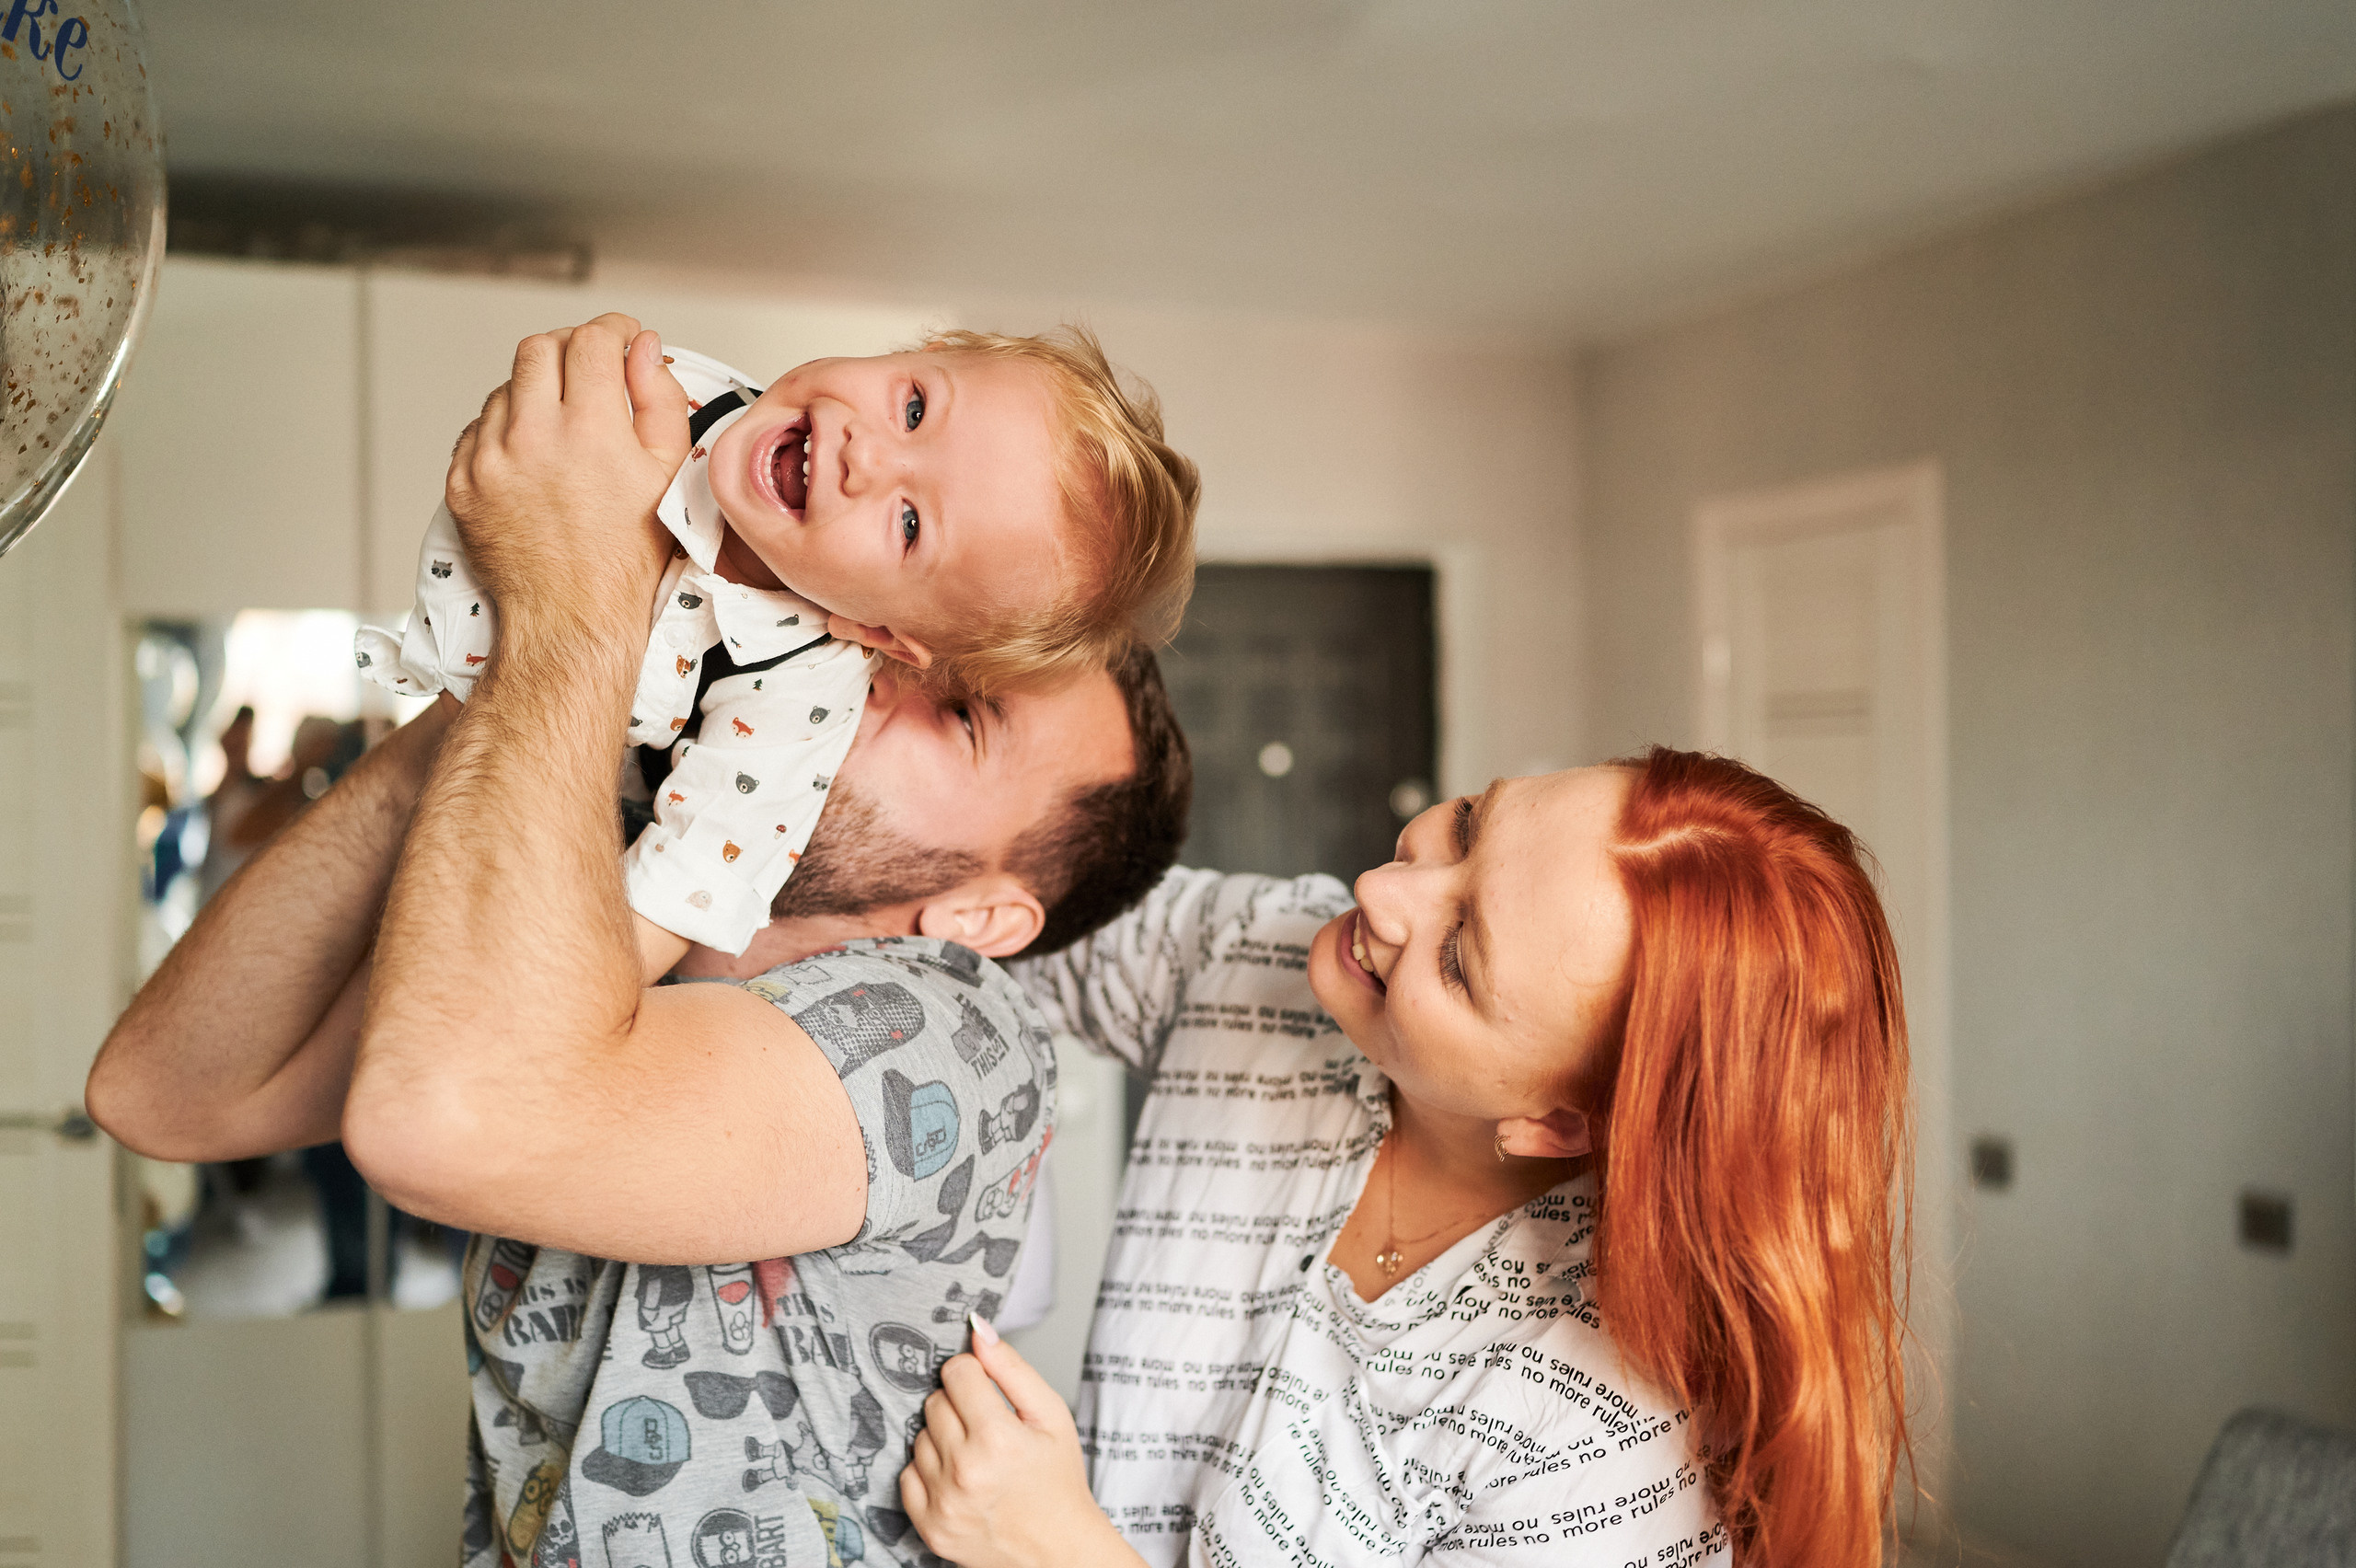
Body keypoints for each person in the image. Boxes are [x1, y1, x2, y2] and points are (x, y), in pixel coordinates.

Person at [85, 314, 1193, 1568]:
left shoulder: (955, 1040)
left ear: (984, 914)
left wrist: (574, 614)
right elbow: (168, 1094)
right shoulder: (610, 860)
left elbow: (439, 1121)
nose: (869, 677)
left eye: (964, 717)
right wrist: (502, 684)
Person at [903, 750, 1913, 1568]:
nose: (1381, 887)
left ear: (1559, 1122)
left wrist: (1057, 1552)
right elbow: (963, 916)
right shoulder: (1267, 945)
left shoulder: (1601, 1435)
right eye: (1470, 825)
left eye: (1457, 956)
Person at [358, 327, 1198, 962]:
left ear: (877, 635)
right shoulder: (679, 396)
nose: (862, 452)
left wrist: (563, 608)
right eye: (914, 408)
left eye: (910, 524)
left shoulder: (792, 711)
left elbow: (595, 961)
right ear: (923, 348)